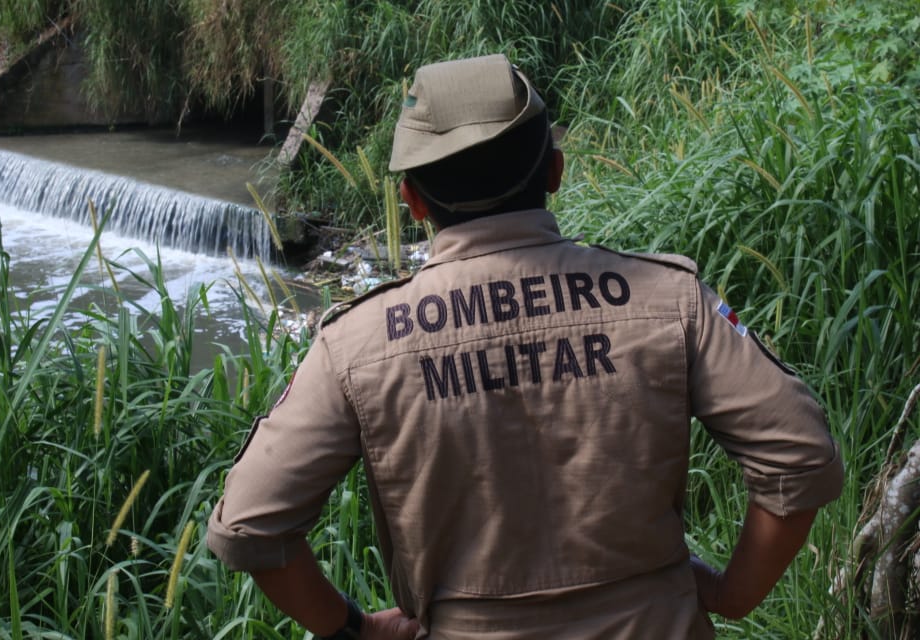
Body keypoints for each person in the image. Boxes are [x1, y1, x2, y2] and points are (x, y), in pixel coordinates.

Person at [206, 54, 844, 639]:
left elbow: (250, 525)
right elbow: (802, 457)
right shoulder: (669, 298)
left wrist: (355, 629)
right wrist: (732, 595)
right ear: (556, 171)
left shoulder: (357, 344)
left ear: (413, 200)